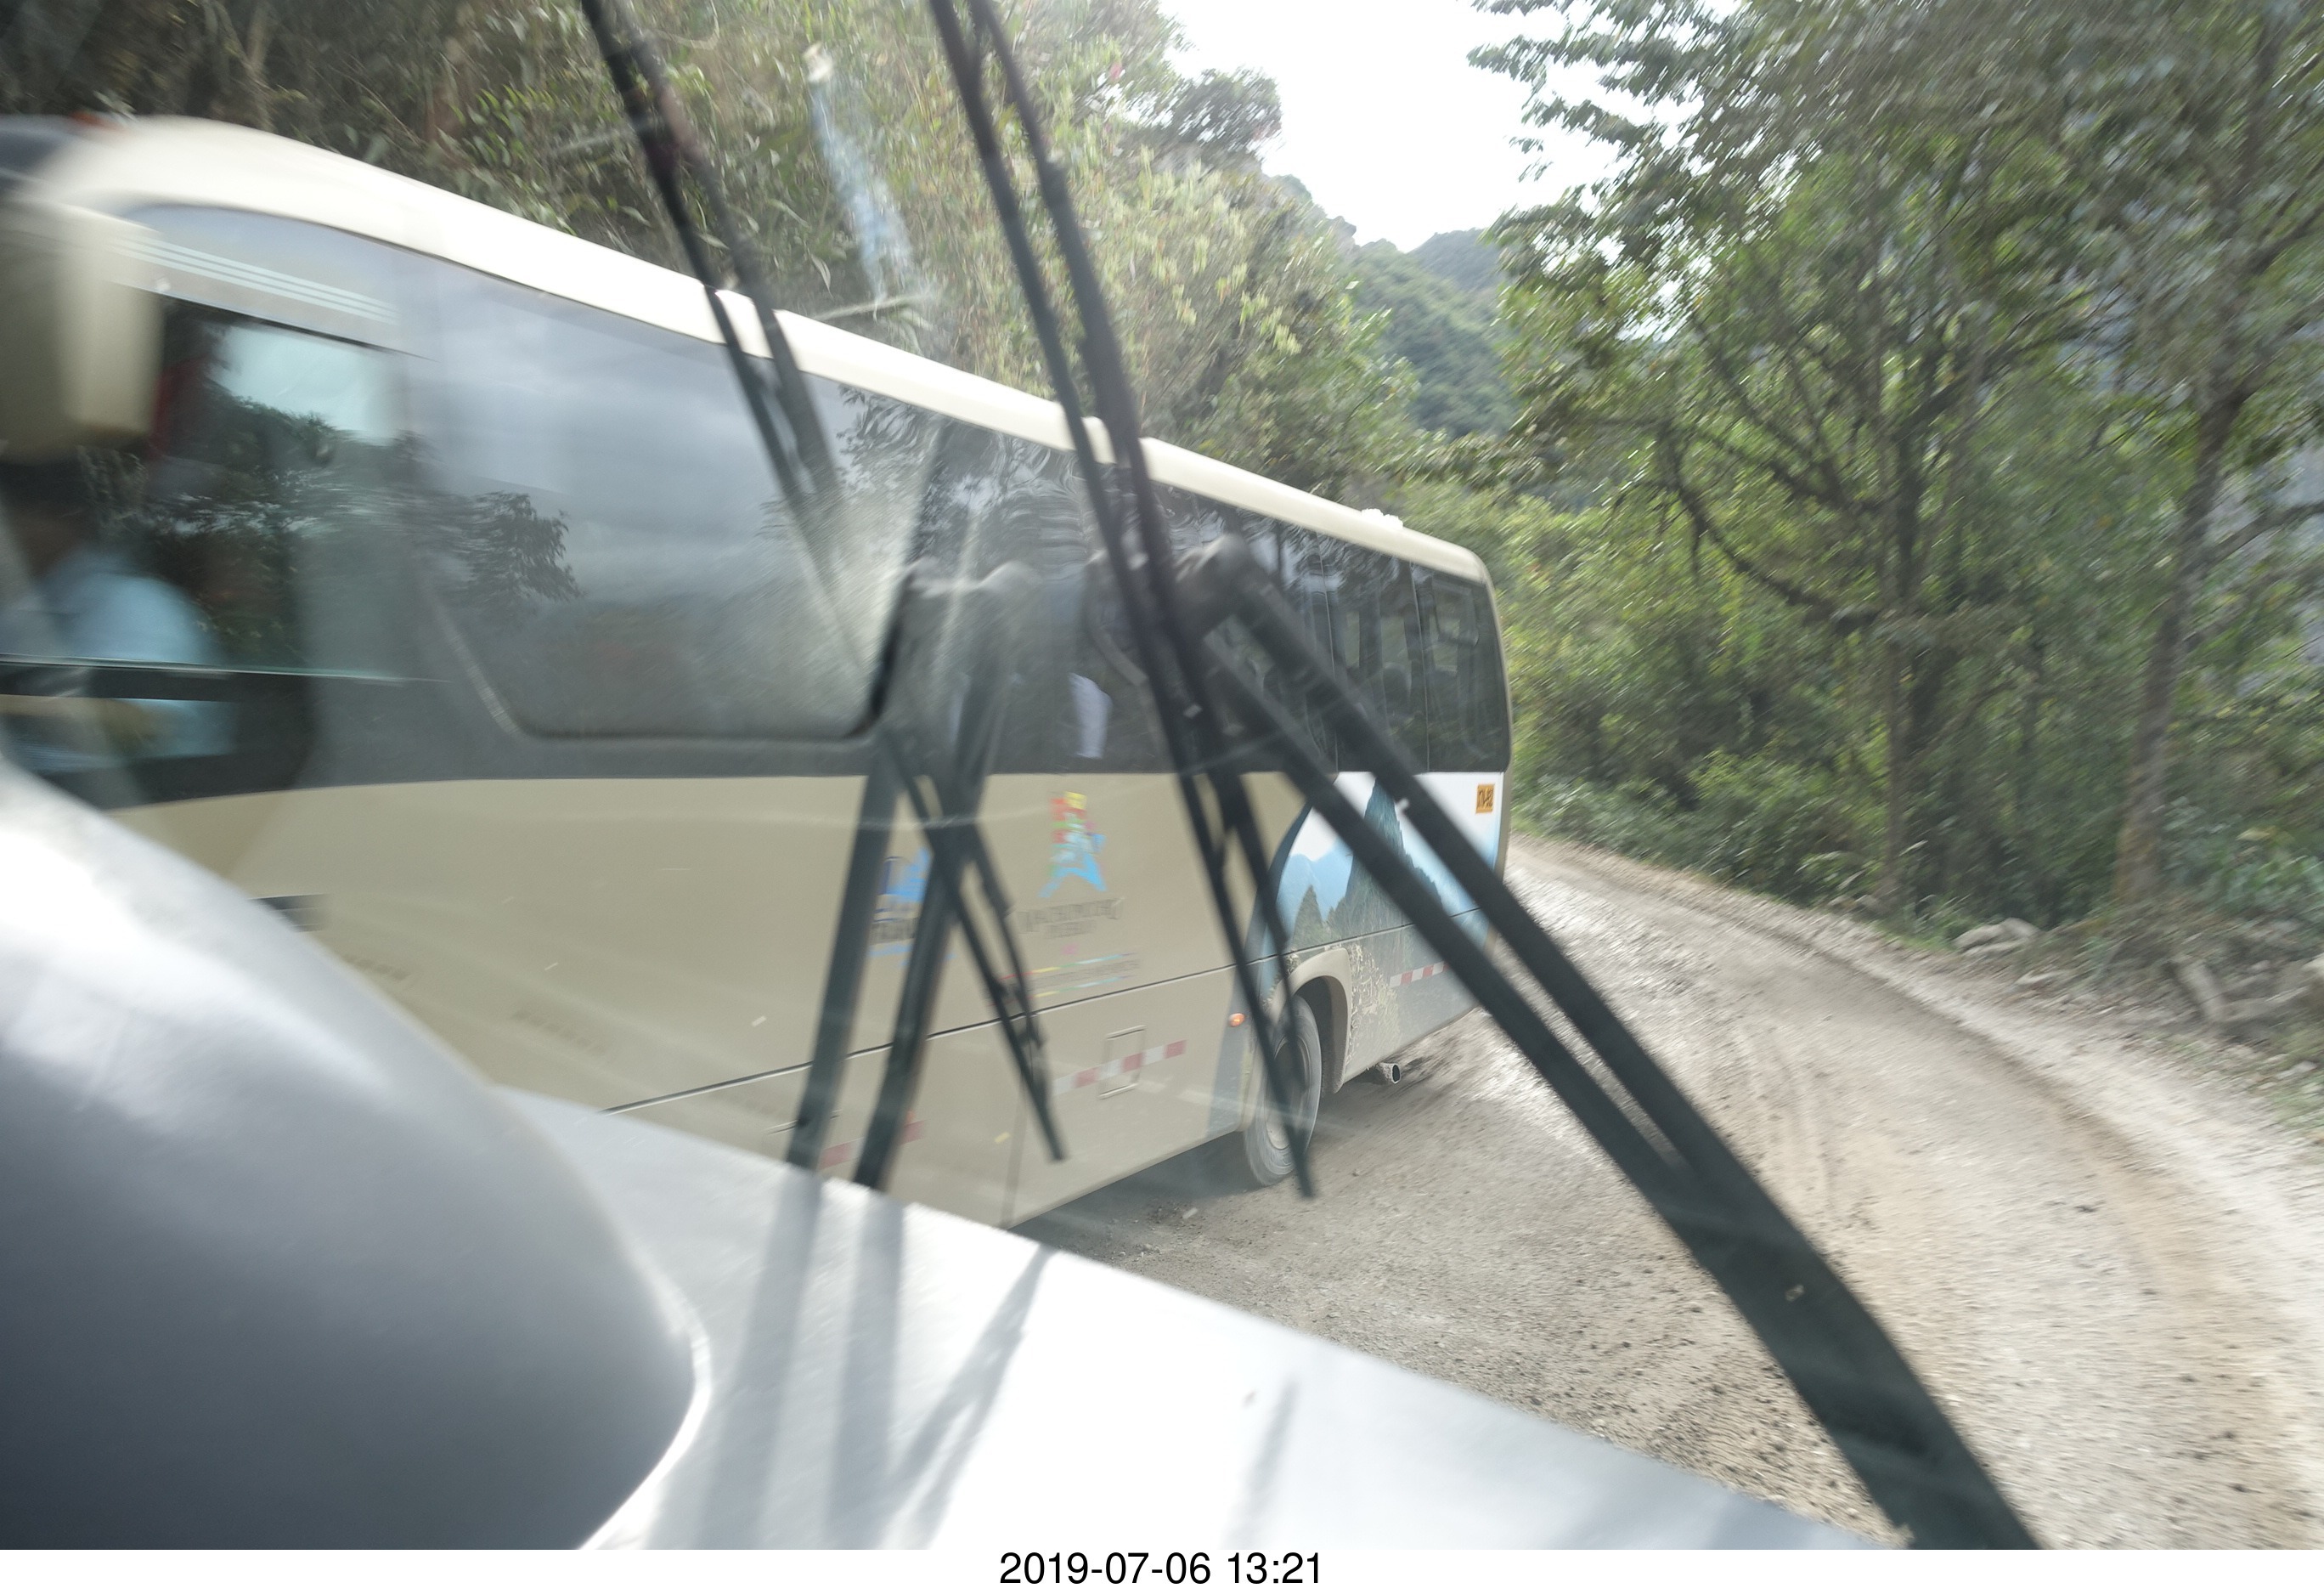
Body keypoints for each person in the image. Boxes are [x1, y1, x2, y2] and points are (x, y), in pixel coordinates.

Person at [0, 456, 228, 773]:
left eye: (7, 517)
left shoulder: (137, 603)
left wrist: (11, 707)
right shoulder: (29, 602)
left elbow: (145, 725)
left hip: (125, 798)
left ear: (53, 517)